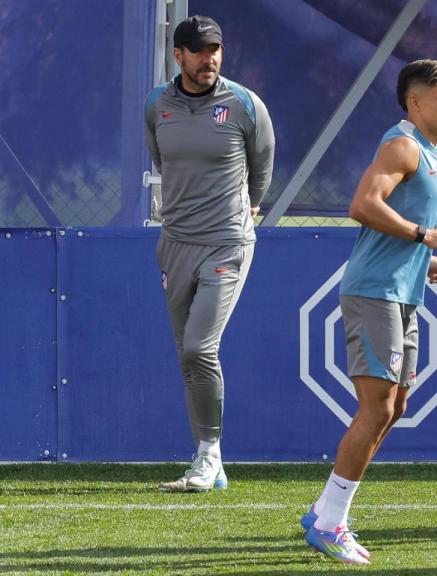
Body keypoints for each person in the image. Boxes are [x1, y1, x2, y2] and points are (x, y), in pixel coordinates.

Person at [300, 59, 437, 565]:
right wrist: (423, 236)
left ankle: (323, 510)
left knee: (396, 407)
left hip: (402, 293)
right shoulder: (403, 145)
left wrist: (423, 257)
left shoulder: (431, 151)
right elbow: (364, 205)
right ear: (415, 101)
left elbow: (396, 220)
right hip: (375, 293)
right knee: (377, 408)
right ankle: (331, 524)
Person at [144, 15, 274, 493]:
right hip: (175, 243)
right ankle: (208, 461)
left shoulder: (244, 104)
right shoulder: (156, 104)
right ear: (177, 55)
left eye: (215, 49)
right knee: (188, 356)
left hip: (227, 242)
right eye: (198, 51)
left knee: (201, 347)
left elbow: (262, 168)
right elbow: (162, 160)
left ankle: (209, 454)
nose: (209, 58)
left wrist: (246, 209)